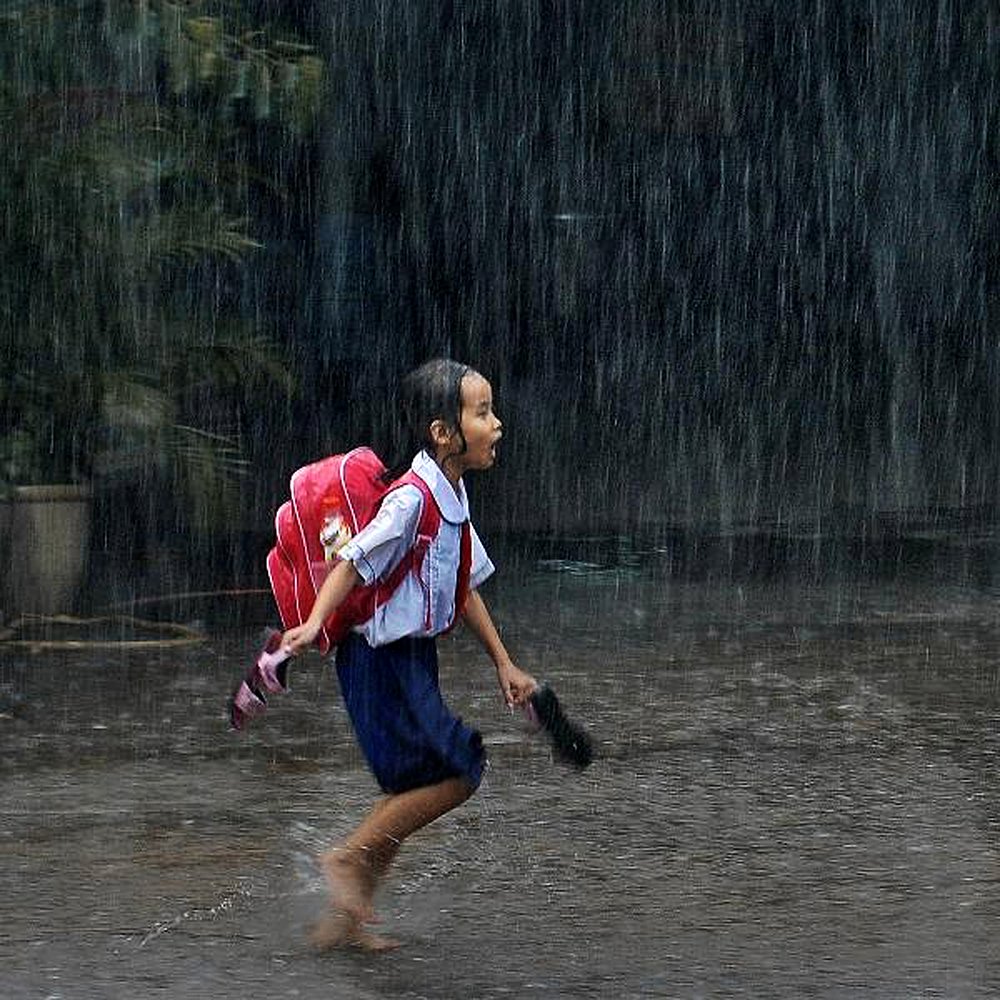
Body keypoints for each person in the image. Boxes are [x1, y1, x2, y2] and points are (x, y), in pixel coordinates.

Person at [280, 358, 537, 951]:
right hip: (378, 661)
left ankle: (342, 924)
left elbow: (462, 581)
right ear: (442, 432)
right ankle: (346, 862)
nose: (496, 424)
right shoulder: (411, 500)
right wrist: (315, 621)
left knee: (413, 787)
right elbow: (351, 559)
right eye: (483, 413)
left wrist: (503, 661)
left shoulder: (453, 492)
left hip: (411, 658)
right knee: (458, 771)